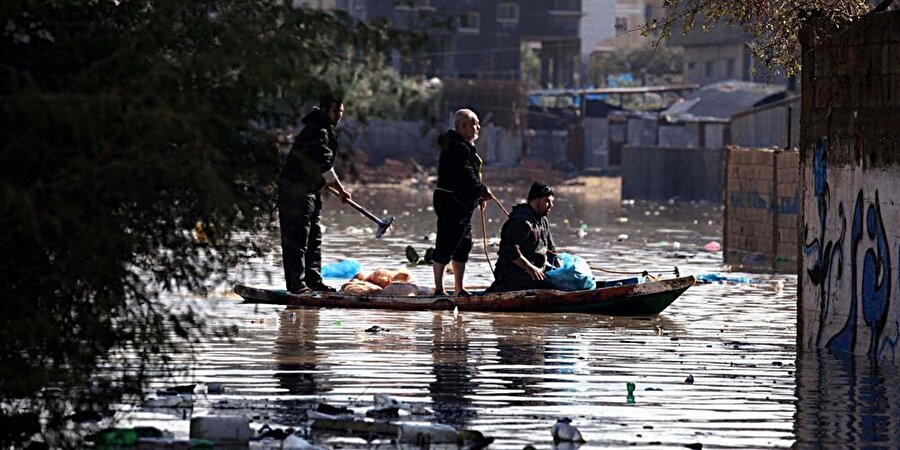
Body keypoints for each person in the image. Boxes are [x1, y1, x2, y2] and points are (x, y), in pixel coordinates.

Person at [277, 95, 351, 293]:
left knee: (313, 240)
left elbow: (318, 169)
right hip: (294, 192)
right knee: (297, 239)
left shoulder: (324, 129)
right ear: (326, 110)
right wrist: (342, 190)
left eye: (341, 112)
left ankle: (313, 281)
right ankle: (296, 285)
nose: (339, 116)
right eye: (337, 112)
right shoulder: (316, 131)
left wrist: (328, 186)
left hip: (310, 191)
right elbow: (324, 163)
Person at [432, 109, 493, 296]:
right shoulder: (455, 146)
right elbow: (466, 175)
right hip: (450, 201)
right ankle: (439, 289)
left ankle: (459, 288)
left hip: (463, 203)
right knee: (446, 242)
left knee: (463, 243)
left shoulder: (464, 145)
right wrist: (482, 190)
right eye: (475, 124)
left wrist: (478, 196)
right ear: (463, 126)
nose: (478, 127)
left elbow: (470, 176)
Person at [486, 182, 559, 293]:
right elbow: (510, 251)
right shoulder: (520, 221)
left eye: (551, 202)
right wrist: (530, 268)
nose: (551, 205)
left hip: (537, 271)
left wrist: (556, 259)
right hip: (514, 275)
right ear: (536, 200)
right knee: (554, 286)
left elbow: (550, 246)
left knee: (566, 278)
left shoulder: (543, 220)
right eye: (547, 201)